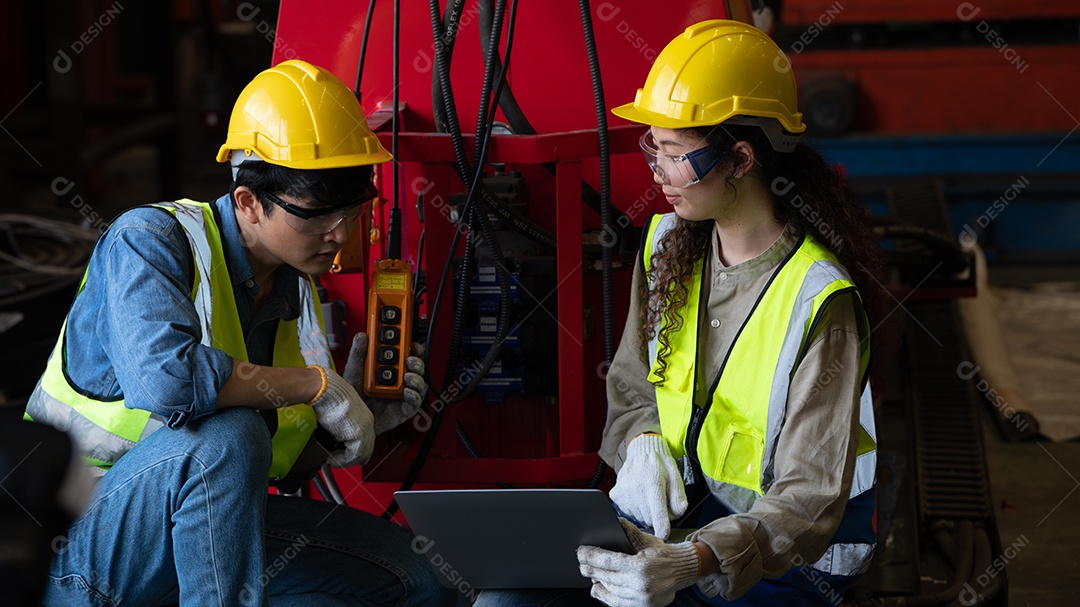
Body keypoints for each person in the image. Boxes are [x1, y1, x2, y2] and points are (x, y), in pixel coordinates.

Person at [476, 20, 884, 607]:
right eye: (652, 148)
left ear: (739, 158)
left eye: (672, 153)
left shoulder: (819, 298)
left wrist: (692, 560)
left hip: (787, 558)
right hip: (682, 522)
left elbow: (808, 498)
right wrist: (640, 442)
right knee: (504, 601)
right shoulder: (670, 239)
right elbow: (634, 381)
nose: (656, 170)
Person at [25, 59, 452, 607]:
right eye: (317, 216)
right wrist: (315, 386)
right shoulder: (148, 240)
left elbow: (266, 467)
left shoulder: (292, 288)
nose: (340, 235)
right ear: (249, 201)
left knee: (409, 577)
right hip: (77, 549)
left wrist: (345, 416)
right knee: (229, 436)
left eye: (354, 212)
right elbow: (168, 384)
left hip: (187, 529)